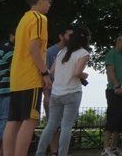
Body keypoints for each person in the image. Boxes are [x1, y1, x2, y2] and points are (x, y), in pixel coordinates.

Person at [3, 0, 52, 156]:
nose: (50, 4)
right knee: (30, 119)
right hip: (31, 76)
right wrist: (45, 73)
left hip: (17, 78)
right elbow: (34, 48)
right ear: (40, 0)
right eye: (49, 0)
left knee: (13, 121)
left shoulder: (23, 20)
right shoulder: (40, 18)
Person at [35, 26, 91, 156]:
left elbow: (52, 71)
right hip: (72, 92)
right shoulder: (83, 53)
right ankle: (62, 153)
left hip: (56, 93)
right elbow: (77, 72)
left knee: (51, 125)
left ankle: (40, 152)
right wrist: (84, 75)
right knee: (66, 127)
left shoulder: (62, 51)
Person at [43, 26, 73, 154]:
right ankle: (54, 151)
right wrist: (46, 95)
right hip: (53, 94)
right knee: (53, 125)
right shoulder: (50, 52)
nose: (72, 38)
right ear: (61, 36)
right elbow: (44, 74)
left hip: (67, 93)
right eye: (69, 35)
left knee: (64, 126)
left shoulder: (72, 52)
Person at [0, 31, 14, 156]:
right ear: (12, 35)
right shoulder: (8, 48)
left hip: (2, 91)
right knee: (4, 123)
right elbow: (17, 65)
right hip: (7, 91)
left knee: (0, 122)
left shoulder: (3, 47)